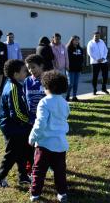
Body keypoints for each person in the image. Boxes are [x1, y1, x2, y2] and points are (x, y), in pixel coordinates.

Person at [29, 70, 69, 202]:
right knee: (60, 170)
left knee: (38, 170)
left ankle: (35, 194)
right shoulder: (64, 102)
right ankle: (62, 193)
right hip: (60, 144)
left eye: (44, 86)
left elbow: (40, 123)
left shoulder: (44, 102)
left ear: (49, 87)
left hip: (44, 144)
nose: (43, 89)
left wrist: (32, 137)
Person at [0, 59, 31, 188]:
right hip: (12, 127)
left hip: (18, 127)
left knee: (23, 151)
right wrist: (29, 121)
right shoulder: (13, 88)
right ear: (15, 74)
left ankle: (23, 176)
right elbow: (16, 113)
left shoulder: (14, 84)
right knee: (12, 154)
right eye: (24, 71)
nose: (27, 72)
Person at [66, 35, 84, 102]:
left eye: (78, 40)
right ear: (72, 40)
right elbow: (66, 59)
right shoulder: (68, 48)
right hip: (70, 69)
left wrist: (81, 66)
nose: (77, 41)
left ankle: (74, 96)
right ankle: (67, 96)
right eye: (75, 40)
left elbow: (82, 58)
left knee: (76, 84)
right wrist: (67, 67)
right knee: (70, 83)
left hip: (78, 69)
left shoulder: (80, 49)